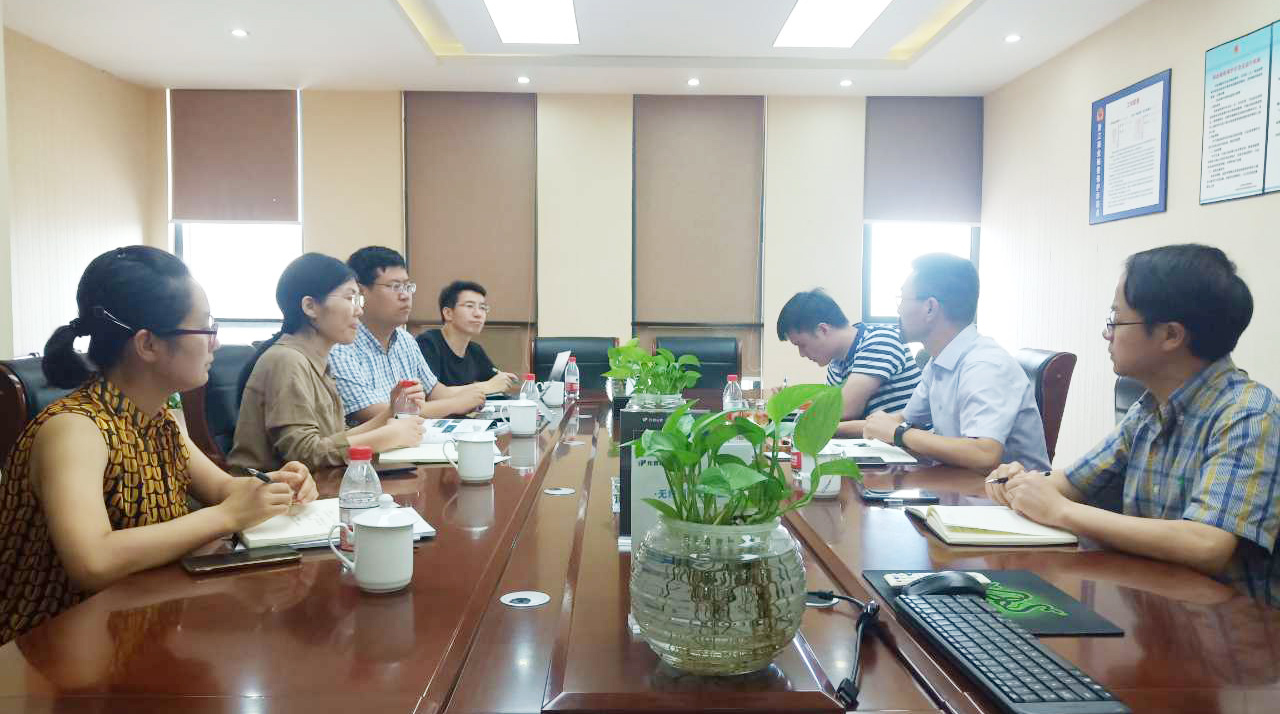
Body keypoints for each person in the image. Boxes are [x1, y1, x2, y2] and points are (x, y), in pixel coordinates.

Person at [0, 246, 318, 645]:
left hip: (133, 621)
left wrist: (275, 483)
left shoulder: (158, 417)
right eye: (205, 328)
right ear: (147, 344)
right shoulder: (74, 428)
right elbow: (92, 561)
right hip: (50, 644)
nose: (216, 344)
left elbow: (222, 487)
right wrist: (227, 516)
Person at [987, 245, 1279, 605]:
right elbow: (1070, 483)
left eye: (1116, 318)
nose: (1106, 333)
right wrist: (1018, 483)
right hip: (1157, 606)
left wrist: (1061, 510)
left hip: (1227, 625)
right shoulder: (1149, 407)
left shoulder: (1248, 415)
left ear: (1171, 335)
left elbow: (1207, 544)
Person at [229, 253, 427, 472]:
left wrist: (390, 413)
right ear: (310, 306)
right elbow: (303, 454)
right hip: (270, 490)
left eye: (358, 300)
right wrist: (384, 437)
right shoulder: (287, 361)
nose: (359, 310)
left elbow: (334, 440)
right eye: (350, 299)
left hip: (315, 484)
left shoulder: (316, 361)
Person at [864, 254, 1050, 471]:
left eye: (903, 299)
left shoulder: (984, 365)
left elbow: (984, 453)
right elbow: (903, 420)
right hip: (962, 484)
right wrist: (859, 428)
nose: (898, 310)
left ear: (930, 308)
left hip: (1005, 491)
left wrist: (899, 433)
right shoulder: (938, 362)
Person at [329, 248, 488, 424]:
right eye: (395, 286)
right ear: (360, 292)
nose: (405, 296)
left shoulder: (405, 340)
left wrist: (472, 397)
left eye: (407, 286)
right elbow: (378, 414)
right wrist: (456, 404)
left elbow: (435, 391)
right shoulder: (341, 346)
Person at [776, 289, 921, 436]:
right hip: (875, 444)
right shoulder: (836, 364)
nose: (801, 354)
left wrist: (796, 406)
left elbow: (843, 411)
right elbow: (827, 412)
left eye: (802, 345)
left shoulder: (880, 340)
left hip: (911, 446)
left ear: (822, 330)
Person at [416, 280, 518, 393]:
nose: (478, 314)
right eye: (469, 306)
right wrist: (487, 386)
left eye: (483, 307)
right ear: (448, 313)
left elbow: (495, 381)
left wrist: (503, 380)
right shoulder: (428, 343)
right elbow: (430, 393)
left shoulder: (475, 350)